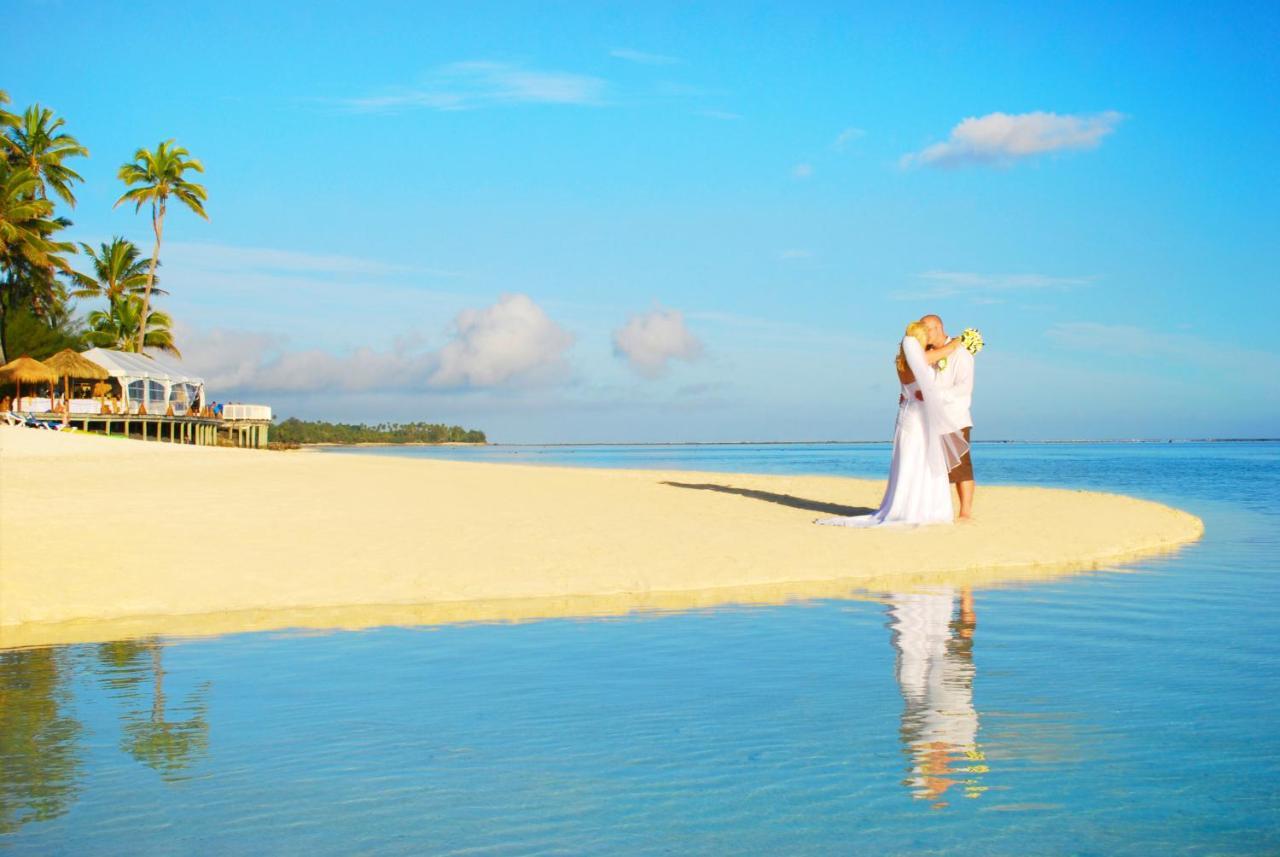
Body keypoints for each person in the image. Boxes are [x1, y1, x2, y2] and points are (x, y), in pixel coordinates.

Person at [816, 321, 967, 527]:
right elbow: (942, 354)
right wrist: (960, 341)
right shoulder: (921, 359)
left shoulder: (902, 362)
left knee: (912, 461)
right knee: (918, 461)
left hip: (909, 414)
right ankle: (918, 508)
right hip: (918, 418)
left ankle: (910, 504)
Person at [921, 314, 976, 519]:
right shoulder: (927, 353)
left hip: (954, 418)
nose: (924, 335)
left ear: (938, 328)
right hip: (930, 419)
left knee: (961, 467)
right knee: (933, 466)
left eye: (926, 330)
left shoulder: (960, 353)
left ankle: (965, 512)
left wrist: (935, 396)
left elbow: (964, 388)